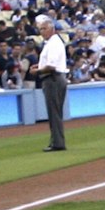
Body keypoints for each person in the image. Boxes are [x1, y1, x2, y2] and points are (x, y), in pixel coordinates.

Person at [32, 14, 69, 151]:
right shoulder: (54, 42)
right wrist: (40, 66)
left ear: (51, 29)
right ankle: (57, 141)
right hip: (56, 77)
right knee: (55, 112)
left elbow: (51, 66)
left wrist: (38, 71)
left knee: (54, 112)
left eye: (44, 29)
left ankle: (57, 143)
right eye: (40, 29)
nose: (41, 32)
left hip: (53, 78)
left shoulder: (53, 43)